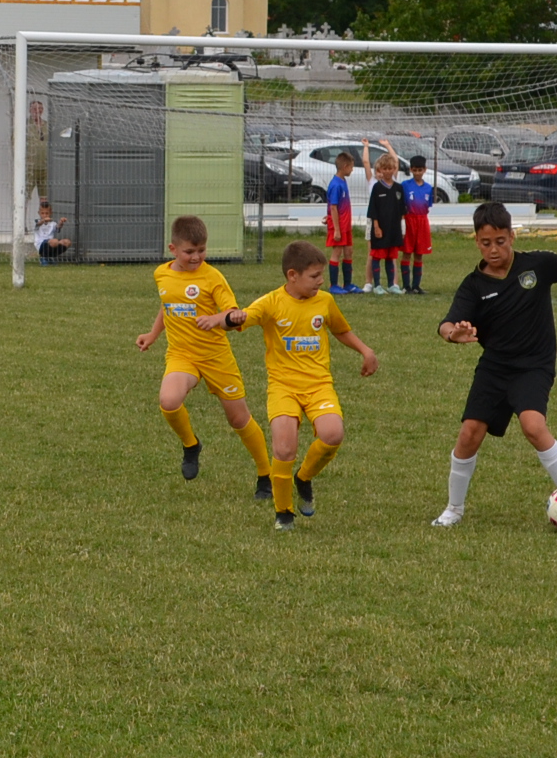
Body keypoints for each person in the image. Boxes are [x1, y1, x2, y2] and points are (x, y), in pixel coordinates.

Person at [433, 202, 557, 527]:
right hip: (494, 367)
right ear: (476, 241)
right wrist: (454, 334)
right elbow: (446, 323)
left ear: (512, 236)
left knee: (533, 426)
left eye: (500, 241)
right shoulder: (474, 285)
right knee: (469, 433)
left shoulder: (537, 264)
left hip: (534, 366)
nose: (494, 249)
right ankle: (454, 509)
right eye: (486, 243)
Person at [197, 239, 378, 531]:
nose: (321, 281)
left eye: (321, 275)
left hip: (319, 385)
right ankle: (284, 513)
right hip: (283, 387)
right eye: (314, 276)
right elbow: (238, 319)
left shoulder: (325, 302)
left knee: (333, 434)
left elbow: (340, 329)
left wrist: (365, 351)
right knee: (283, 449)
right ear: (292, 275)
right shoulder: (271, 303)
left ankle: (303, 477)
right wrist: (223, 318)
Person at [136, 215, 271, 494]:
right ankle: (191, 445)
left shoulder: (213, 278)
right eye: (189, 252)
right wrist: (153, 334)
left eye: (201, 250)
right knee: (169, 401)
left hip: (216, 357)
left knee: (238, 420)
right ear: (173, 249)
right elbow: (168, 304)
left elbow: (232, 315)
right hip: (181, 355)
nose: (196, 257)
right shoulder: (162, 274)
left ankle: (265, 474)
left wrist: (217, 319)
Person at [366, 149, 406, 295]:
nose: (388, 171)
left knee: (391, 257)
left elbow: (402, 211)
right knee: (377, 256)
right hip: (380, 229)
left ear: (394, 169)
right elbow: (373, 209)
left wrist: (402, 229)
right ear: (380, 170)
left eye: (390, 168)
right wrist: (376, 227)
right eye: (385, 168)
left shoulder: (399, 188)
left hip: (394, 229)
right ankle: (377, 285)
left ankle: (391, 285)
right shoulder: (377, 188)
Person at [325, 148, 360, 294]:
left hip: (345, 225)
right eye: (351, 167)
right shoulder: (336, 185)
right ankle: (333, 285)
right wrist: (337, 230)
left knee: (348, 252)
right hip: (338, 226)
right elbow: (333, 207)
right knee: (337, 253)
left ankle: (348, 284)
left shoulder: (343, 181)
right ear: (345, 167)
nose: (352, 170)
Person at [399, 154, 434, 294]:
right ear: (411, 170)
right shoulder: (405, 185)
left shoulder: (428, 188)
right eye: (415, 170)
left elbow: (428, 206)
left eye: (420, 170)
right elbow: (401, 205)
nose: (418, 173)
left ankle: (416, 286)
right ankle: (406, 286)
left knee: (419, 254)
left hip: (422, 222)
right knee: (407, 252)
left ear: (425, 170)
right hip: (409, 221)